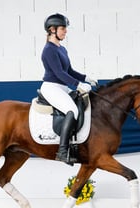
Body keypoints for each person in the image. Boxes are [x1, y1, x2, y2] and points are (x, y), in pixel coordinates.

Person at [40, 13, 97, 165]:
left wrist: (85, 78)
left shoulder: (62, 49)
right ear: (52, 29)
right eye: (63, 28)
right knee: (73, 110)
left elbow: (69, 71)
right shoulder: (48, 50)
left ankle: (75, 144)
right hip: (51, 88)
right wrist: (78, 85)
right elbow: (59, 73)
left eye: (65, 29)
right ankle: (63, 151)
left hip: (62, 87)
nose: (65, 31)